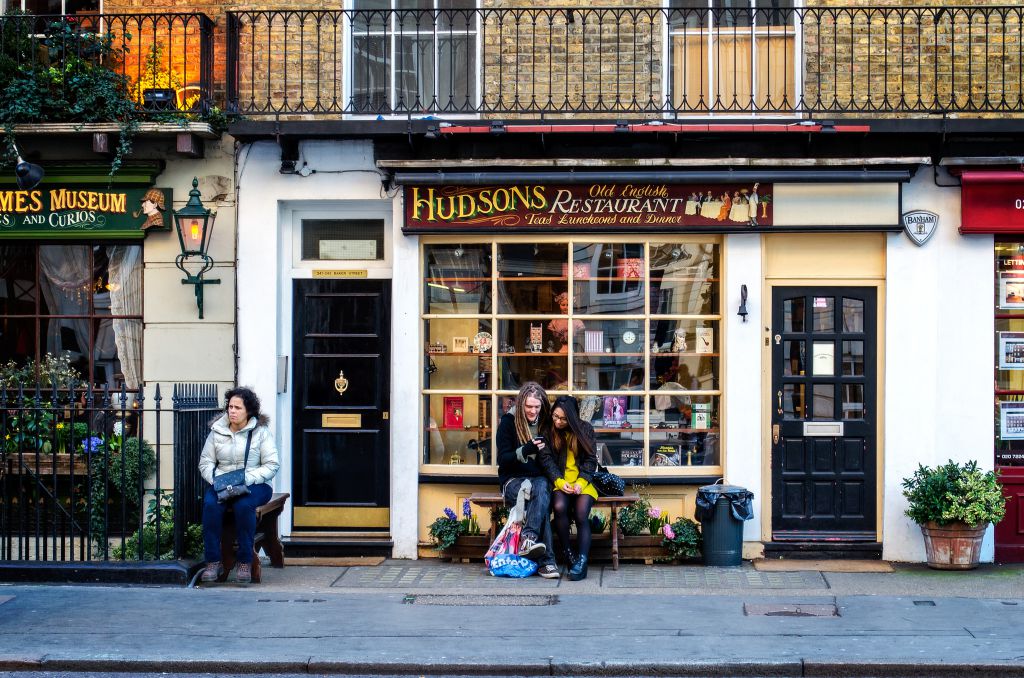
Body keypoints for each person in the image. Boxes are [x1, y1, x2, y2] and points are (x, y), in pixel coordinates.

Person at [198, 386, 280, 584]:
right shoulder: (217, 431)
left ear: (248, 411)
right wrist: (216, 480)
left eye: (237, 408)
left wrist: (247, 479)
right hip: (222, 483)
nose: (232, 411)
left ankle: (244, 562)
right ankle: (213, 562)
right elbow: (205, 462)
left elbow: (272, 465)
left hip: (255, 484)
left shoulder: (261, 433)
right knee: (211, 506)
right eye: (230, 407)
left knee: (243, 506)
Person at [496, 381, 560, 579]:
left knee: (540, 488)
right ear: (522, 403)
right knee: (537, 498)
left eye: (537, 407)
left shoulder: (545, 423)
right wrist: (525, 450)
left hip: (538, 479)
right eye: (529, 406)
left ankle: (529, 539)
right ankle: (547, 562)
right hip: (513, 480)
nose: (533, 411)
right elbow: (503, 460)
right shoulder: (508, 422)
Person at [540, 395, 598, 581]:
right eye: (555, 416)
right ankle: (568, 554)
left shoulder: (585, 429)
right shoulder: (548, 431)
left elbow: (590, 460)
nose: (558, 421)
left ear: (572, 417)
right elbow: (546, 460)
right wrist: (558, 481)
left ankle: (581, 560)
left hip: (583, 482)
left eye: (563, 419)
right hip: (560, 482)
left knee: (581, 513)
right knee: (559, 507)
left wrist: (581, 483)